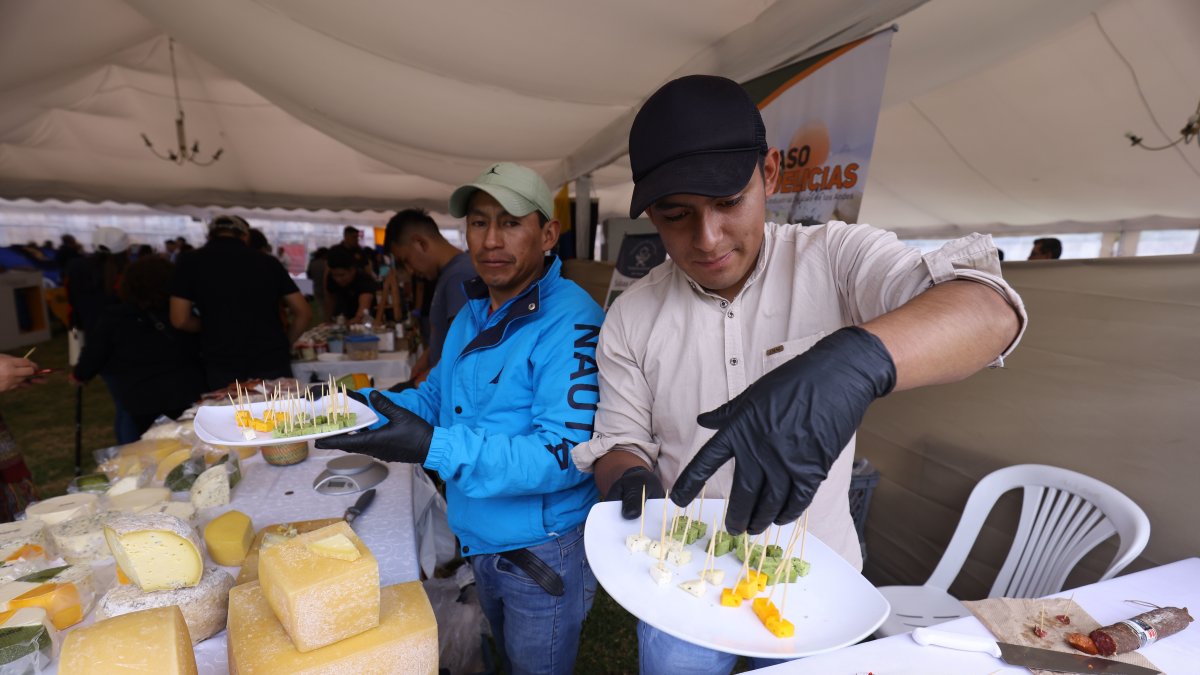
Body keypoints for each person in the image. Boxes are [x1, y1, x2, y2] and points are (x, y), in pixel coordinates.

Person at [570, 75, 1026, 674]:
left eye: (729, 203)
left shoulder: (836, 260)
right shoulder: (631, 316)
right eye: (675, 215)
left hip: (810, 576)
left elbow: (989, 311)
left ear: (771, 174)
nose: (706, 239)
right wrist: (629, 478)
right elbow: (620, 439)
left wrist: (857, 360)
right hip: (685, 578)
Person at [317, 162, 604, 675]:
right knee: (497, 658)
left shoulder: (571, 318)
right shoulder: (474, 309)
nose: (491, 239)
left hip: (540, 552)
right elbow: (436, 398)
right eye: (478, 222)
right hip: (480, 536)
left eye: (511, 222)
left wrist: (434, 446)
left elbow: (566, 454)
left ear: (548, 233)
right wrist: (361, 411)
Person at [169, 215, 311, 390]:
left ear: (210, 236)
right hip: (270, 355)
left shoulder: (190, 262)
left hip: (221, 358)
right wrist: (285, 343)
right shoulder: (268, 262)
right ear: (245, 236)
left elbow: (179, 319)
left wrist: (209, 324)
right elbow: (303, 312)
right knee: (280, 414)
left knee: (229, 415)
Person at [71, 256, 206, 437]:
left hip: (142, 397)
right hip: (184, 392)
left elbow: (96, 352)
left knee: (149, 446)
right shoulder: (181, 315)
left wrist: (80, 374)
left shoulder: (116, 317)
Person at [383, 208, 476, 382]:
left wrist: (430, 377)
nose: (410, 271)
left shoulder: (459, 275)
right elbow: (445, 334)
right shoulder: (448, 273)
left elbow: (463, 344)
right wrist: (426, 358)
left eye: (406, 261)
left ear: (420, 243)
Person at [65, 226, 137, 441]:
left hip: (99, 349)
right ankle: (130, 455)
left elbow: (74, 309)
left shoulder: (78, 271)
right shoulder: (126, 276)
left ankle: (128, 452)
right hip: (125, 350)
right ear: (126, 251)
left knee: (124, 407)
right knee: (130, 409)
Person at [325, 248, 379, 324]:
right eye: (335, 275)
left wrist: (345, 325)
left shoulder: (364, 281)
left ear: (353, 270)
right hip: (343, 317)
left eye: (342, 275)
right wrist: (328, 320)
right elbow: (330, 300)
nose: (338, 279)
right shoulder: (331, 279)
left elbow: (361, 315)